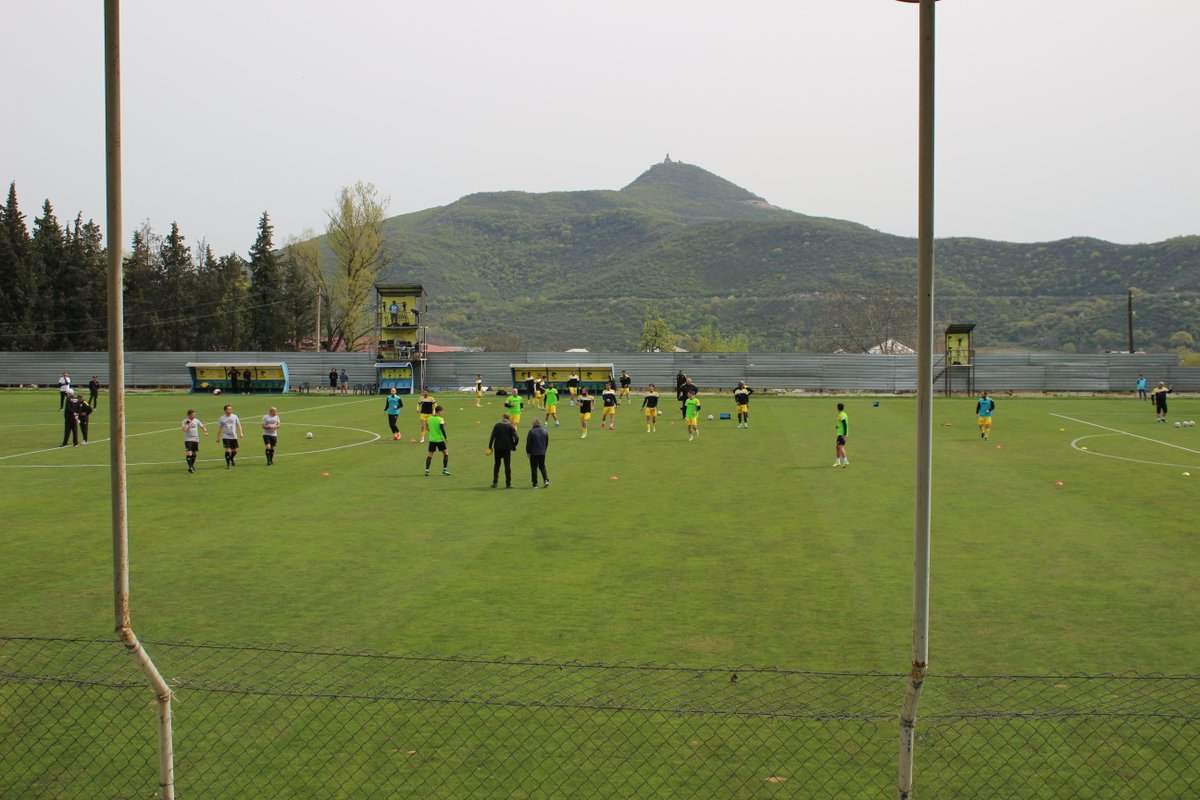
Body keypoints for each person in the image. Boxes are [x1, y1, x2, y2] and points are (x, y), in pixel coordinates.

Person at [487, 413, 520, 488]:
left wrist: (490, 447)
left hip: (498, 448)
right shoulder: (510, 426)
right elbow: (517, 438)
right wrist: (514, 445)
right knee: (507, 466)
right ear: (509, 419)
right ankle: (508, 483)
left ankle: (495, 482)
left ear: (502, 418)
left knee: (497, 465)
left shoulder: (497, 425)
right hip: (507, 449)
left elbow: (492, 437)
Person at [424, 405, 451, 476]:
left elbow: (426, 426)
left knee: (430, 455)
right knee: (446, 453)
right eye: (442, 411)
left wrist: (429, 430)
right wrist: (446, 438)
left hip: (432, 439)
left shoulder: (430, 418)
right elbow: (442, 429)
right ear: (439, 411)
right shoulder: (440, 419)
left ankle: (427, 470)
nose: (442, 413)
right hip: (439, 440)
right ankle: (445, 470)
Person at [217, 403, 245, 469]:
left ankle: (231, 458)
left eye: (231, 409)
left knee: (235, 451)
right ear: (225, 410)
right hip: (226, 436)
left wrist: (241, 433)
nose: (230, 410)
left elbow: (238, 425)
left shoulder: (235, 416)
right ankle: (228, 464)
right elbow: (219, 428)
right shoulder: (222, 418)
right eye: (229, 409)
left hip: (233, 436)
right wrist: (218, 437)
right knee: (228, 450)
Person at [180, 408, 208, 473]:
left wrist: (205, 431)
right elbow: (184, 430)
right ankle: (190, 467)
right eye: (193, 415)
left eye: (195, 414)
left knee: (194, 453)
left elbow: (202, 426)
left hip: (196, 439)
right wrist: (188, 423)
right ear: (189, 415)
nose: (194, 416)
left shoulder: (196, 420)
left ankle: (192, 466)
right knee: (189, 453)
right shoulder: (184, 421)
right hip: (188, 439)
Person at [526, 418, 550, 489]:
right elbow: (546, 442)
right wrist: (544, 450)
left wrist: (528, 452)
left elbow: (528, 443)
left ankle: (535, 483)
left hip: (534, 453)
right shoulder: (544, 431)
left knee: (534, 468)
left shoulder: (531, 431)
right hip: (542, 452)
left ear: (534, 423)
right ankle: (545, 480)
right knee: (542, 466)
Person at [834, 403, 849, 467]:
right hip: (840, 433)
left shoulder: (841, 415)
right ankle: (838, 462)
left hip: (842, 434)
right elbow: (842, 424)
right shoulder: (844, 414)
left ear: (837, 408)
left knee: (840, 447)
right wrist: (838, 426)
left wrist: (844, 435)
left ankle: (845, 461)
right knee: (837, 447)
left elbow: (845, 424)